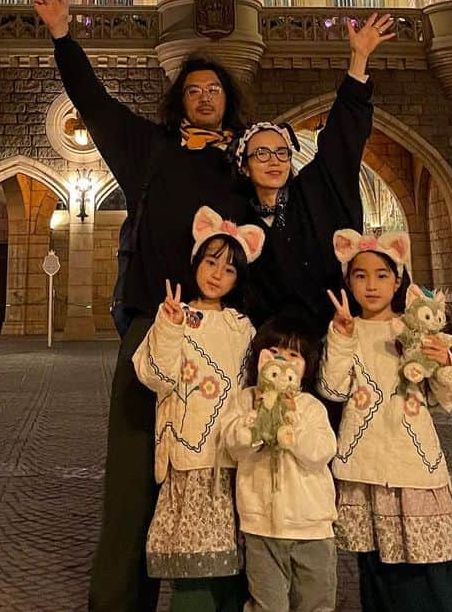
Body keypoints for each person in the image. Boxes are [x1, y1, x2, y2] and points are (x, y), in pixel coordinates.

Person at [34, 0, 254, 612]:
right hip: (153, 328)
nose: (205, 97)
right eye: (194, 90)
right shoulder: (150, 151)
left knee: (220, 469)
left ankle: (214, 596)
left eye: (214, 90)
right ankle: (120, 600)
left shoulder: (245, 164)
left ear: (227, 101)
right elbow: (96, 104)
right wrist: (61, 35)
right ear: (179, 102)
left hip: (223, 332)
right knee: (133, 474)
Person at [319, 230, 452, 612]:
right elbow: (332, 388)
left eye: (382, 275)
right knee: (376, 567)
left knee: (429, 565)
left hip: (414, 466)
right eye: (360, 275)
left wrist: (444, 363)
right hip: (364, 468)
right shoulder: (346, 330)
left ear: (397, 280)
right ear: (348, 280)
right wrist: (341, 338)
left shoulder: (415, 330)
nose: (372, 285)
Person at [132, 208, 264, 611]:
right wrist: (170, 327)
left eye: (228, 268)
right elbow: (155, 375)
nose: (217, 274)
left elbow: (250, 383)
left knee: (232, 562)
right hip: (190, 457)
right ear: (195, 264)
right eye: (210, 262)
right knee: (194, 566)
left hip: (232, 458)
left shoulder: (243, 326)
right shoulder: (175, 317)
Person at [236, 13, 395, 331]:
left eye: (281, 152)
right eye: (262, 153)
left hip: (330, 332)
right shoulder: (237, 216)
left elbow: (340, 140)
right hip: (270, 343)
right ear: (245, 165)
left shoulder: (312, 193)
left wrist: (358, 59)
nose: (274, 161)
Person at [220, 315, 339, 612]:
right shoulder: (245, 400)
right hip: (261, 526)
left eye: (293, 355)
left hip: (311, 527)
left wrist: (291, 428)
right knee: (267, 604)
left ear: (306, 366)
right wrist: (259, 420)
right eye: (274, 353)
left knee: (316, 601)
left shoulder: (311, 407)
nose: (282, 361)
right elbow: (234, 446)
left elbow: (322, 452)